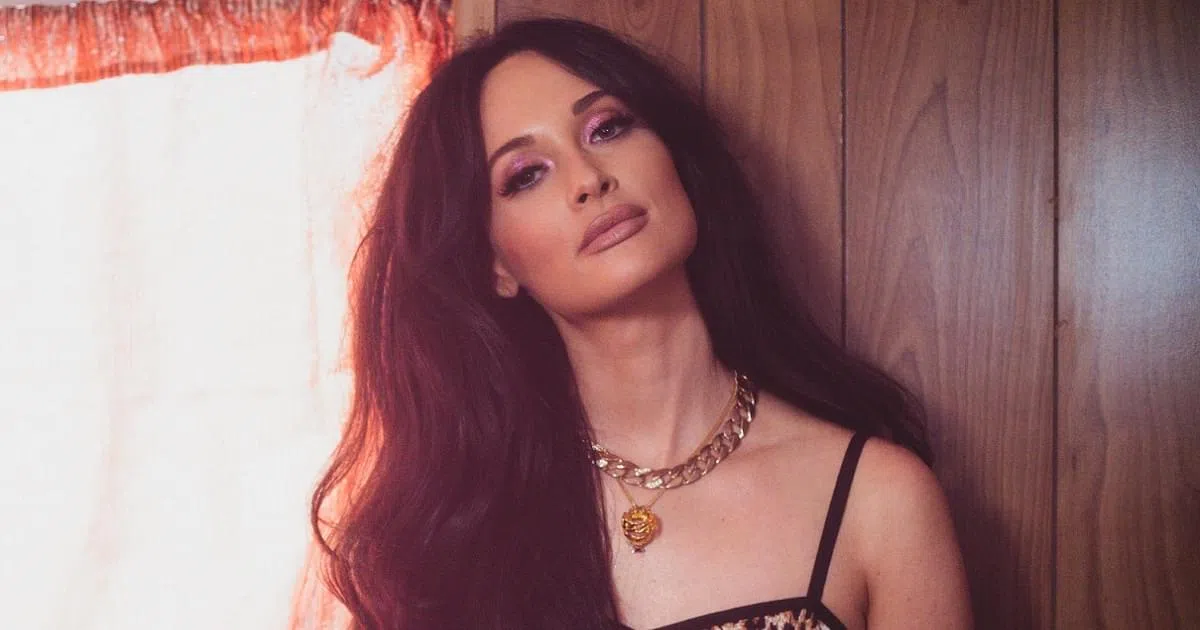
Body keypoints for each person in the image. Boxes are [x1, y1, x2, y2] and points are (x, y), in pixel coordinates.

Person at [308, 17, 972, 630]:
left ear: (675, 161)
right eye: (527, 175)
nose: (588, 179)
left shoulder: (878, 500)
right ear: (495, 265)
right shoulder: (454, 535)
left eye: (607, 129)